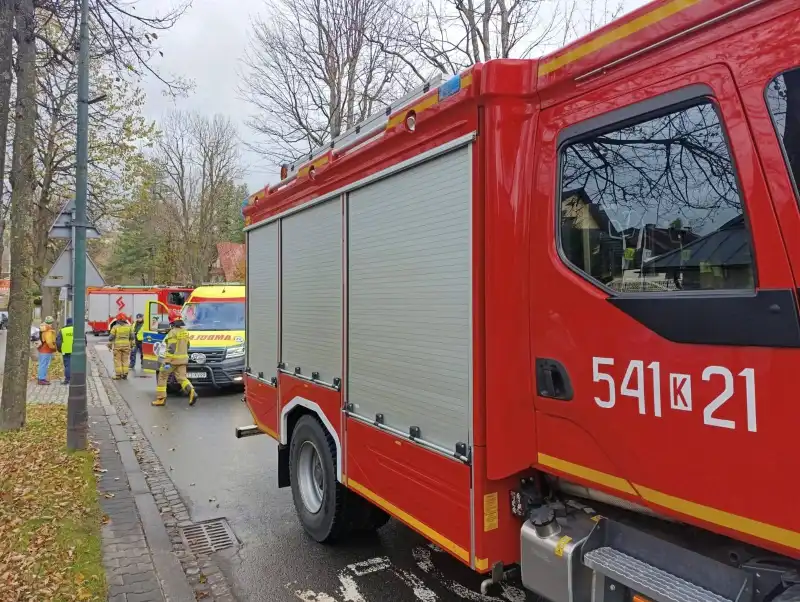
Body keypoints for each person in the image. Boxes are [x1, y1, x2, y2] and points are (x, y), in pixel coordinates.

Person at [154, 310, 197, 407]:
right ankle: (191, 391)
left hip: (172, 361)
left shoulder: (172, 333)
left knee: (162, 376)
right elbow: (188, 345)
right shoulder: (185, 332)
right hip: (183, 360)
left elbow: (171, 348)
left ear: (171, 320)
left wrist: (166, 362)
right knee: (182, 378)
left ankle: (161, 399)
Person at [108, 313, 134, 380]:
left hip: (117, 347)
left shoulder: (115, 327)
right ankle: (125, 374)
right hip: (126, 346)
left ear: (118, 320)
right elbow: (132, 337)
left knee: (117, 361)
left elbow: (111, 338)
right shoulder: (129, 327)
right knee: (125, 360)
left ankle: (118, 375)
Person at [37, 316, 57, 385]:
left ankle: (41, 378)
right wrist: (53, 347)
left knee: (42, 364)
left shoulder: (43, 329)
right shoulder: (48, 331)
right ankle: (41, 379)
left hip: (42, 349)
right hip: (46, 350)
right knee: (44, 365)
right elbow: (49, 342)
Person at [56, 317, 74, 385]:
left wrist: (60, 350)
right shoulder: (76, 329)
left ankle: (68, 379)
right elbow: (84, 339)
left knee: (67, 365)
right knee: (76, 365)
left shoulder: (62, 330)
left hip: (66, 351)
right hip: (75, 351)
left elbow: (58, 342)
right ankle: (75, 379)